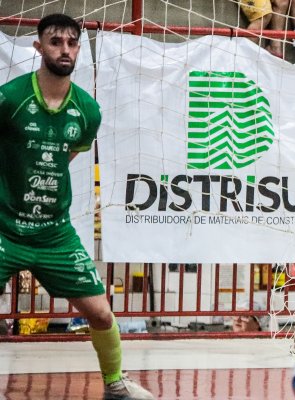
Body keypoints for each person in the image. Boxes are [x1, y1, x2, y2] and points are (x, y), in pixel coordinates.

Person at [0, 14, 154, 399]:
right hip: (4, 228)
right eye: (55, 42)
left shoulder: (88, 111)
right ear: (39, 47)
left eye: (71, 43)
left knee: (101, 313)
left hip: (54, 234)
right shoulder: (11, 99)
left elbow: (62, 158)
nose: (64, 50)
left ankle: (115, 383)